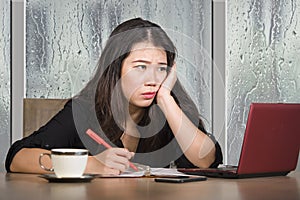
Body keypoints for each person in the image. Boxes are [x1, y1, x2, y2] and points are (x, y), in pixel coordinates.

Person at [6, 18, 222, 175]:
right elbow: (16, 159)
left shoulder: (169, 112)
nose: (152, 79)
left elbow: (206, 161)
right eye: (140, 67)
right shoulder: (83, 111)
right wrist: (91, 164)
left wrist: (166, 98)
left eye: (161, 69)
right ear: (116, 70)